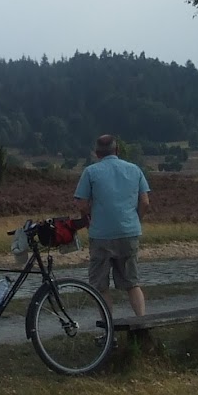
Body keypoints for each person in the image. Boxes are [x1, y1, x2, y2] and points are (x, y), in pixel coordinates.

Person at [74, 133, 151, 316]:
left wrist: (88, 219)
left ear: (97, 153)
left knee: (100, 286)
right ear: (117, 150)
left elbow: (82, 204)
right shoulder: (134, 170)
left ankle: (109, 327)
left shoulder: (90, 172)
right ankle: (142, 322)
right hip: (129, 232)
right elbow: (145, 202)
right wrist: (136, 219)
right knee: (132, 283)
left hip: (101, 234)